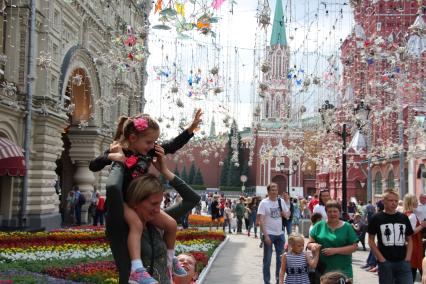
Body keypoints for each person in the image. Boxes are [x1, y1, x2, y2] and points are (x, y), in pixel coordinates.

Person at [105, 115, 195, 284]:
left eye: (159, 203)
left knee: (172, 224)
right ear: (133, 138)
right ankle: (137, 269)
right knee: (137, 224)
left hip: (137, 201)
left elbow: (171, 146)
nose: (157, 208)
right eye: (154, 203)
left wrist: (189, 131)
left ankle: (170, 260)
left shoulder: (152, 217)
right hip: (125, 202)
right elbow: (110, 185)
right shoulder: (119, 223)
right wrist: (116, 160)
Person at [368, 189, 414, 284]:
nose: (394, 203)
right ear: (383, 201)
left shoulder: (403, 217)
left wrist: (408, 258)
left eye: (396, 201)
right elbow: (371, 240)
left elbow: (409, 239)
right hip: (385, 262)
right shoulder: (376, 218)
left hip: (403, 261)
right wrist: (381, 258)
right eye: (391, 200)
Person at [308, 200, 358, 279]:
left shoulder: (347, 227)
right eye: (329, 211)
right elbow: (310, 243)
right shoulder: (319, 225)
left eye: (335, 211)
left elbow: (354, 247)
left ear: (339, 212)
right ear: (326, 212)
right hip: (322, 270)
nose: (332, 214)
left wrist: (335, 250)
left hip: (343, 270)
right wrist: (312, 245)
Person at [258, 182, 290, 284]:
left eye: (276, 190)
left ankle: (278, 280)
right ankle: (266, 281)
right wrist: (265, 236)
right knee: (267, 260)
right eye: (272, 190)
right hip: (269, 234)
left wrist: (284, 214)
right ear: (268, 191)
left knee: (280, 260)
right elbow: (261, 220)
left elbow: (288, 215)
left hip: (280, 234)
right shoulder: (264, 203)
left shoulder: (281, 201)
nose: (274, 191)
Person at [404, 193, 426, 282]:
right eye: (416, 200)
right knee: (412, 271)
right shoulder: (412, 215)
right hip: (413, 246)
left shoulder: (405, 214)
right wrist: (422, 225)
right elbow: (410, 232)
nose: (417, 202)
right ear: (412, 202)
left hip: (411, 245)